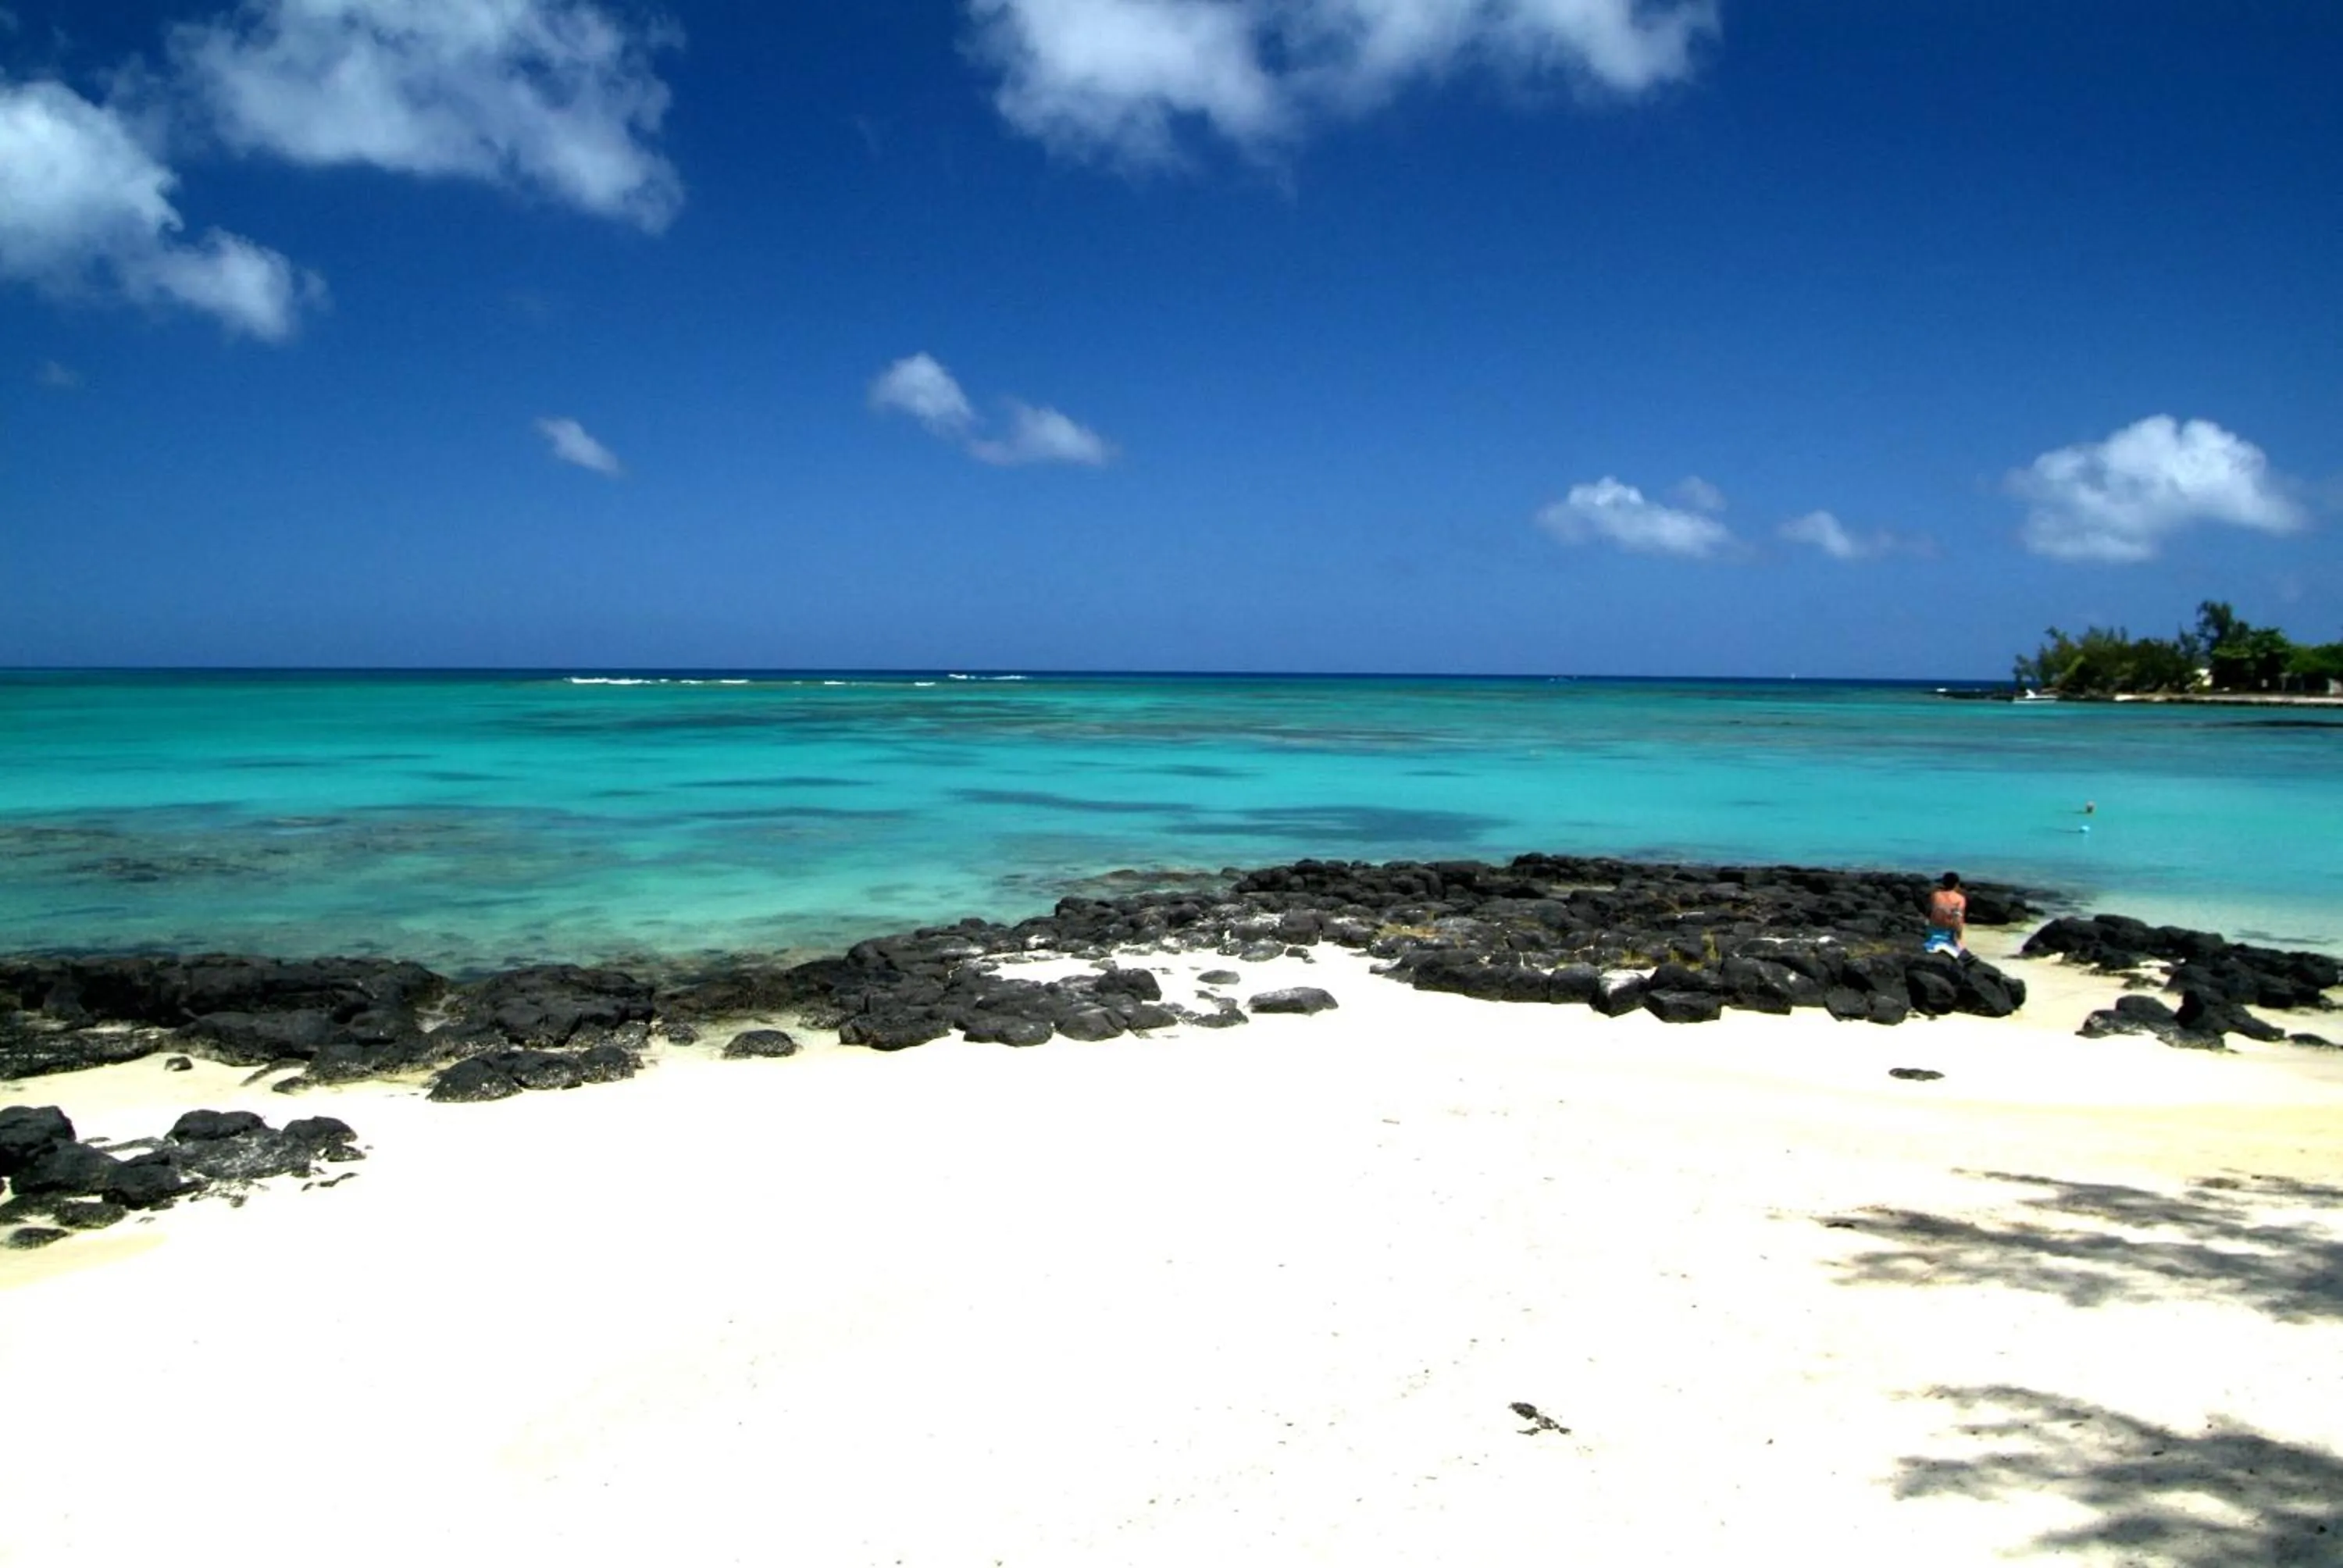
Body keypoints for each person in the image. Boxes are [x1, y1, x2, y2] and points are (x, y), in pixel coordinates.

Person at [1924, 871, 1967, 956]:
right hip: (1947, 934)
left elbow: (1930, 912)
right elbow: (1958, 920)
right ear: (1957, 884)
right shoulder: (1959, 899)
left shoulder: (1936, 895)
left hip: (1932, 932)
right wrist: (1959, 938)